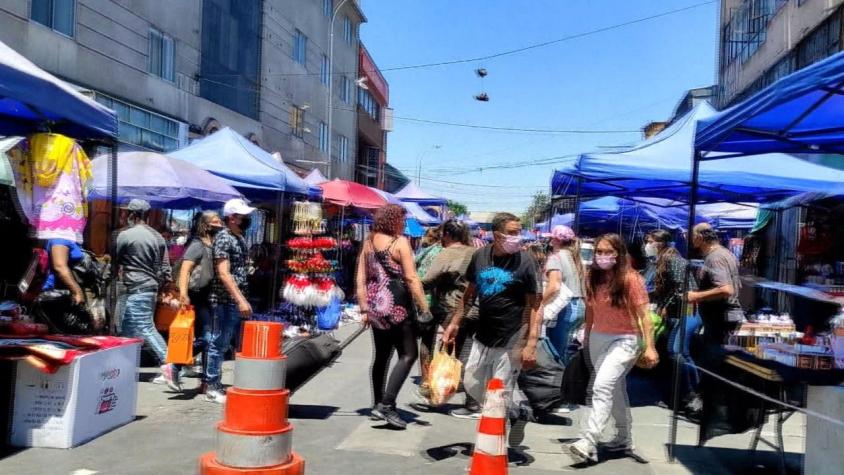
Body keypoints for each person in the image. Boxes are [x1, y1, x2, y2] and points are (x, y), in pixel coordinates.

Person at [443, 212, 541, 445]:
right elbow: (468, 295)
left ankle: (491, 449)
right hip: (483, 334)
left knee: (497, 397)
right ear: (497, 235)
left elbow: (535, 305)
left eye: (520, 232)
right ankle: (517, 411)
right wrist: (454, 323)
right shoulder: (480, 256)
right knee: (471, 384)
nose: (519, 237)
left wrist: (531, 342)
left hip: (512, 337)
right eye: (513, 233)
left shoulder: (526, 261)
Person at [567, 234, 658, 463]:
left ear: (619, 254)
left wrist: (649, 347)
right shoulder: (592, 277)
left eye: (608, 252)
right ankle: (624, 438)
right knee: (613, 388)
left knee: (602, 386)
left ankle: (588, 441)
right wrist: (587, 337)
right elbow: (590, 309)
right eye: (599, 251)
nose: (603, 256)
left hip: (626, 339)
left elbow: (644, 316)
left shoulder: (630, 279)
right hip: (598, 337)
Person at [356, 204, 431, 429]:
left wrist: (363, 307)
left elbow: (360, 278)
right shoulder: (399, 243)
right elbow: (411, 278)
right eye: (402, 220)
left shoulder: (368, 243)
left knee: (381, 356)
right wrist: (424, 306)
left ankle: (377, 403)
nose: (403, 224)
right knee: (408, 354)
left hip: (376, 304)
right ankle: (387, 405)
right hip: (397, 304)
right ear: (394, 221)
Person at [115, 199, 178, 391]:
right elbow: (166, 267)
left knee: (144, 327)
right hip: (149, 288)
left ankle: (169, 363)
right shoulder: (157, 237)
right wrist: (166, 287)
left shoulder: (124, 235)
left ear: (131, 214)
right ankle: (123, 370)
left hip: (134, 287)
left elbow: (114, 261)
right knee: (126, 331)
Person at [419, 219, 478, 411]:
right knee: (465, 352)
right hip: (471, 308)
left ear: (448, 235)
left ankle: (430, 388)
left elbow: (428, 280)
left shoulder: (447, 253)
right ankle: (471, 399)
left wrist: (412, 285)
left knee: (429, 343)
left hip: (448, 307)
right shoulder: (474, 252)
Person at [205, 199, 256, 404]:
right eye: (243, 216)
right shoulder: (224, 238)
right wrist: (240, 300)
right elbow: (224, 274)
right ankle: (212, 385)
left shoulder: (239, 238)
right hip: (225, 299)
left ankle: (215, 382)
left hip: (234, 298)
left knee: (227, 341)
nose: (247, 219)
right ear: (232, 218)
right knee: (219, 341)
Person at [647, 229, 701, 410]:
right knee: (675, 353)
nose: (648, 245)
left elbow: (681, 289)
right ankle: (680, 394)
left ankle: (694, 393)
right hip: (676, 313)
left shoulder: (674, 261)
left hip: (686, 312)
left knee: (678, 352)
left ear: (660, 243)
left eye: (650, 241)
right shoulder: (662, 261)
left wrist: (664, 306)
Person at [176, 211, 224, 388]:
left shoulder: (214, 243)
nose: (219, 224)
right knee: (206, 337)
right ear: (205, 225)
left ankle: (205, 381)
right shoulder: (197, 244)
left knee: (208, 338)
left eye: (220, 221)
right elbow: (185, 270)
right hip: (196, 295)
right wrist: (183, 294)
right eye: (215, 221)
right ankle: (174, 365)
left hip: (209, 296)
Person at [687, 223, 743, 361]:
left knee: (714, 360)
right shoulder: (724, 254)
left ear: (700, 237)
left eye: (692, 236)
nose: (689, 240)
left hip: (720, 317)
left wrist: (696, 296)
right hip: (722, 316)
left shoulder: (715, 258)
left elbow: (726, 289)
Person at [541, 225, 585, 367]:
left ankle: (559, 386)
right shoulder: (575, 258)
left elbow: (554, 286)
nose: (550, 242)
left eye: (551, 239)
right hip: (578, 307)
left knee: (556, 353)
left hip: (564, 309)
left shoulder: (556, 258)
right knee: (566, 350)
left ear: (557, 240)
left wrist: (539, 303)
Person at [414, 225, 443, 393]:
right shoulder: (438, 252)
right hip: (432, 301)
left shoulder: (422, 252)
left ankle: (426, 377)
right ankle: (429, 377)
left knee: (425, 340)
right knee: (429, 340)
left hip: (419, 300)